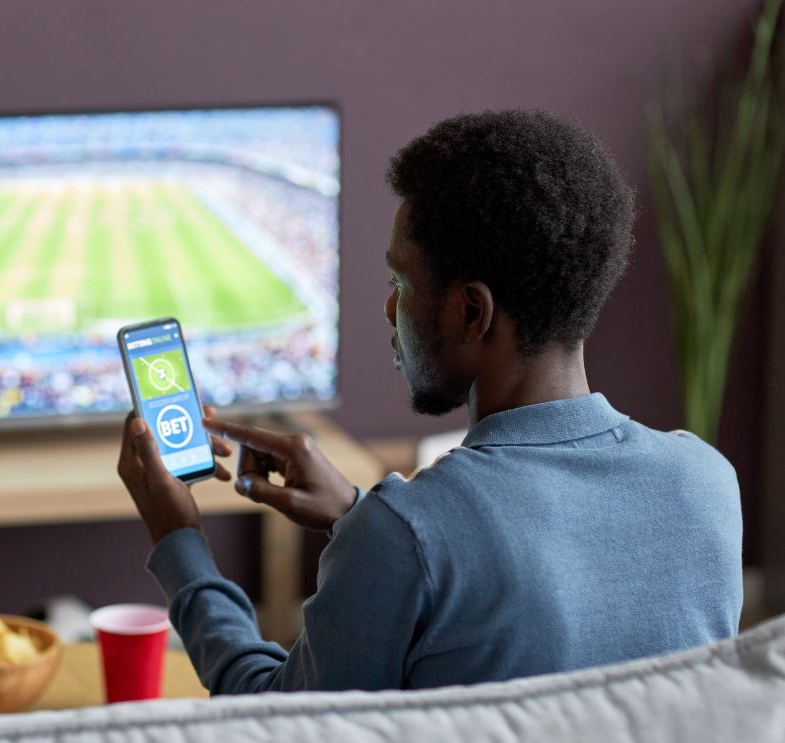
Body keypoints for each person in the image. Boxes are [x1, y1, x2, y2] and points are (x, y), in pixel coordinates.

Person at [115, 109, 743, 693]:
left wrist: (180, 543)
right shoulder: (707, 483)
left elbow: (275, 722)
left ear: (472, 311)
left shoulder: (403, 538)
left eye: (401, 282)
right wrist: (356, 516)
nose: (390, 309)